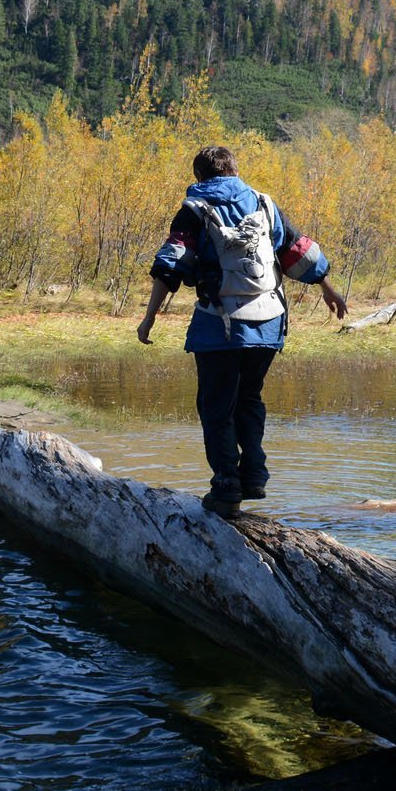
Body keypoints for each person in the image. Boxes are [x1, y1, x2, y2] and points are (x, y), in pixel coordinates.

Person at [136, 145, 347, 519]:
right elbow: (297, 251)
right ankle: (254, 477)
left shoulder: (192, 210)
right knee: (249, 398)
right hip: (268, 324)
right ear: (234, 170)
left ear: (199, 175)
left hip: (219, 327)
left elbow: (170, 266)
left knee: (216, 407)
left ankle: (226, 489)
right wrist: (327, 287)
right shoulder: (264, 203)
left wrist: (149, 317)